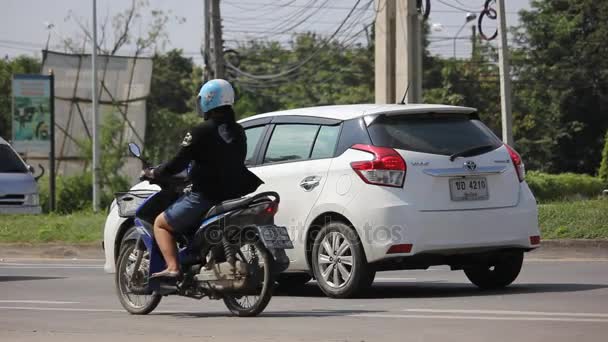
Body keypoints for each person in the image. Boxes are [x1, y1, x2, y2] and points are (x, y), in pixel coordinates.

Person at [143, 79, 263, 279]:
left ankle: (173, 268)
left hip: (205, 196)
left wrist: (155, 172)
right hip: (234, 195)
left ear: (208, 100)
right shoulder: (238, 131)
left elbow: (177, 163)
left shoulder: (200, 131)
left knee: (160, 224)